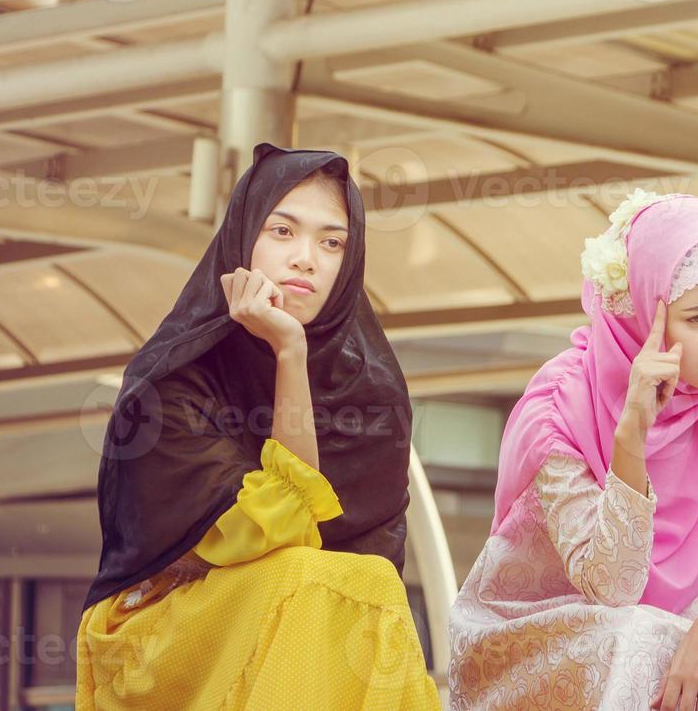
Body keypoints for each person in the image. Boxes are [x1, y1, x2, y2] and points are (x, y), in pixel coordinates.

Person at [77, 144, 439, 710]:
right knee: (300, 576)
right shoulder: (170, 382)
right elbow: (282, 533)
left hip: (306, 634)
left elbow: (369, 567)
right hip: (162, 632)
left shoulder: (371, 392)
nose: (306, 260)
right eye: (282, 231)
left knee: (367, 588)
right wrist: (289, 354)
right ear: (243, 237)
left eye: (332, 242)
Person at [448, 189, 698, 710]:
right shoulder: (560, 409)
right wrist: (631, 437)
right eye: (697, 318)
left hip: (681, 616)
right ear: (642, 315)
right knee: (640, 642)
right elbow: (614, 587)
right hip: (541, 629)